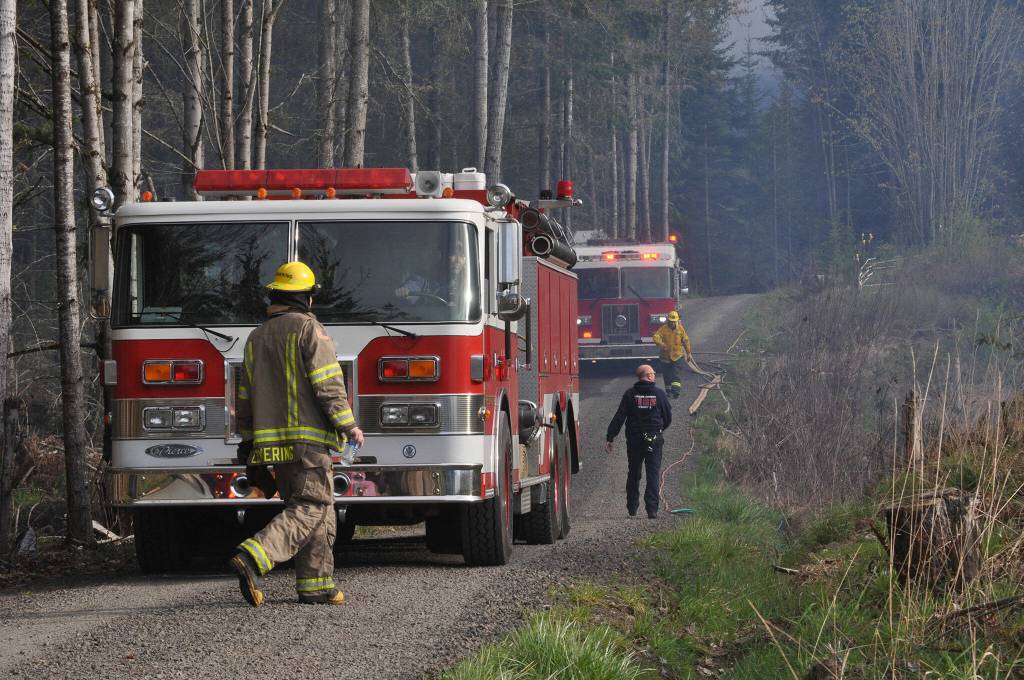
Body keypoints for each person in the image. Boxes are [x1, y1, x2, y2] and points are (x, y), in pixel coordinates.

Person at [230, 261, 364, 607]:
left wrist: (248, 443)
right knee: (312, 504)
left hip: (269, 446)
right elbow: (328, 385)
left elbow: (244, 399)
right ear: (306, 298)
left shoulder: (256, 337)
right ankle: (256, 554)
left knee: (317, 507)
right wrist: (348, 425)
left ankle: (315, 584)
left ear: (275, 295)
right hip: (307, 443)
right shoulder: (310, 330)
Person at [605, 364, 673, 518]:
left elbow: (619, 417)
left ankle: (632, 507)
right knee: (653, 474)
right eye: (653, 373)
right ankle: (652, 510)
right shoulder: (659, 394)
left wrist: (610, 436)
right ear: (648, 376)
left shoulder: (630, 394)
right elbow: (667, 417)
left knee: (634, 473)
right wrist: (659, 429)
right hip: (654, 440)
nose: (654, 375)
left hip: (634, 440)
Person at [652, 310, 692, 399]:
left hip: (677, 356)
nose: (673, 323)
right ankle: (668, 391)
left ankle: (676, 391)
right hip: (665, 357)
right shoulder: (663, 329)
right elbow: (656, 337)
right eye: (671, 321)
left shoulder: (680, 329)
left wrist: (688, 353)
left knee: (675, 373)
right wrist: (661, 344)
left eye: (674, 322)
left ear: (677, 321)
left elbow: (685, 341)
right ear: (668, 321)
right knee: (666, 375)